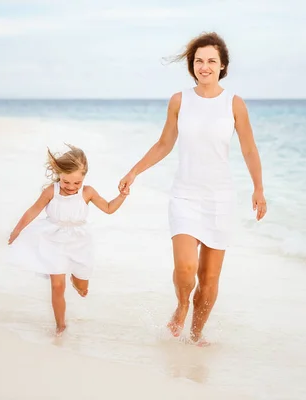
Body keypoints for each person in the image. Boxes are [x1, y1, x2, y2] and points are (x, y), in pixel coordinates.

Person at [118, 32, 267, 346]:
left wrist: (258, 188)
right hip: (185, 195)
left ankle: (196, 338)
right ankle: (182, 304)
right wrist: (134, 171)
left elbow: (250, 150)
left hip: (221, 199)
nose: (205, 66)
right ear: (192, 65)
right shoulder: (179, 100)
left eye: (211, 60)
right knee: (185, 269)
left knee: (210, 280)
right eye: (199, 61)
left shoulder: (234, 104)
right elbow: (164, 143)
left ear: (222, 65)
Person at [8, 144, 130, 336]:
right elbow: (33, 210)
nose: (71, 187)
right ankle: (60, 325)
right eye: (66, 182)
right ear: (59, 174)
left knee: (83, 289)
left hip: (80, 242)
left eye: (77, 183)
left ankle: (75, 277)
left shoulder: (87, 192)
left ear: (83, 179)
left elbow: (108, 208)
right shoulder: (51, 191)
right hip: (53, 240)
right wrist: (17, 231)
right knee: (57, 285)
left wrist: (122, 196)